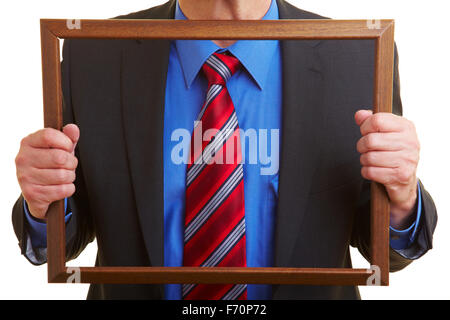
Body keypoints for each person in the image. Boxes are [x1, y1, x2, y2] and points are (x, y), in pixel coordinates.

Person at [12, 0, 437, 299]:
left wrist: (401, 196)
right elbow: (64, 239)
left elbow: (383, 250)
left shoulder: (358, 55)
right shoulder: (94, 53)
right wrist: (42, 201)